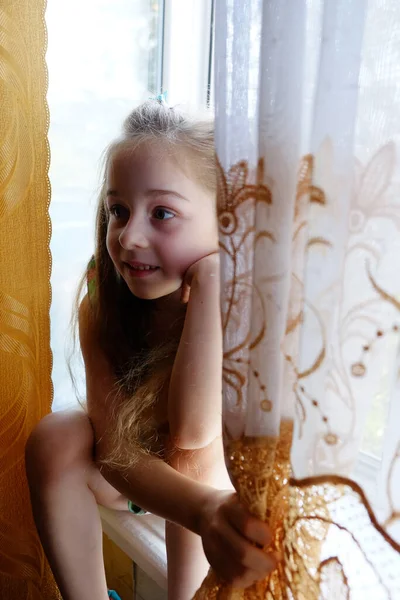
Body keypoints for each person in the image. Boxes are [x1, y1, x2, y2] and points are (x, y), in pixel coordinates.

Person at [25, 100, 278, 600]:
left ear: (226, 222)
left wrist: (209, 287)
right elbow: (116, 452)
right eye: (118, 210)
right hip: (132, 480)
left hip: (206, 482)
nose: (128, 236)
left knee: (191, 450)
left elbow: (193, 431)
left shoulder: (244, 306)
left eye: (162, 213)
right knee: (55, 436)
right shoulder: (103, 296)